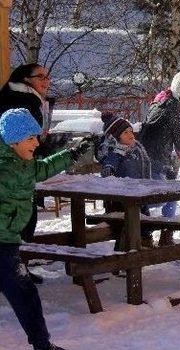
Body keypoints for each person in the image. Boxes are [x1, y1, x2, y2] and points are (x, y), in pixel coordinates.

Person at [0, 108, 91, 350]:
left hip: (8, 242)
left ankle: (42, 345)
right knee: (24, 293)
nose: (36, 143)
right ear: (13, 140)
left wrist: (71, 154)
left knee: (25, 295)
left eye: (37, 137)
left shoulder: (26, 164)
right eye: (30, 138)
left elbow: (45, 168)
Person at [0, 64, 59, 284]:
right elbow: (22, 141)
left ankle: (16, 269)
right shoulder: (23, 101)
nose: (46, 80)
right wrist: (48, 147)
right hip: (14, 170)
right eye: (40, 76)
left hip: (14, 169)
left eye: (48, 76)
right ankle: (14, 271)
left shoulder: (17, 96)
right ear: (26, 79)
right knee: (21, 218)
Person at [140, 67, 180, 246]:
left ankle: (149, 235)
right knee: (162, 198)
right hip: (156, 158)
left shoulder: (160, 101)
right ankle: (159, 235)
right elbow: (178, 135)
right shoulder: (174, 107)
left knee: (158, 196)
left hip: (147, 156)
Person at [97, 112, 153, 248]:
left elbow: (145, 168)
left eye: (131, 131)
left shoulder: (136, 149)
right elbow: (107, 175)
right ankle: (124, 253)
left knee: (145, 224)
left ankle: (143, 246)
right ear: (115, 137)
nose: (131, 135)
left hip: (140, 196)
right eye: (125, 133)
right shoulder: (114, 154)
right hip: (121, 202)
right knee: (128, 228)